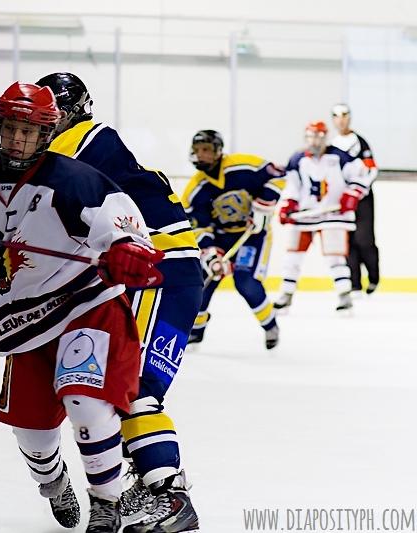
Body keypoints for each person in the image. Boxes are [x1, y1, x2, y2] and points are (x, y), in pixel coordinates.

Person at [0, 82, 165, 533]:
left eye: (29, 131)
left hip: (84, 304)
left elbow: (122, 224)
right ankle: (54, 484)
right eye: (11, 129)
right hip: (23, 321)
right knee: (32, 435)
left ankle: (107, 503)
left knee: (84, 399)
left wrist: (128, 249)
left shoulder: (72, 179)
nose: (19, 140)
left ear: (47, 134)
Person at [37, 72, 202, 533]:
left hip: (157, 271)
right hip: (168, 273)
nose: (47, 124)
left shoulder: (87, 140)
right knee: (130, 388)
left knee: (134, 391)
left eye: (54, 113)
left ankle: (168, 494)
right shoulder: (88, 150)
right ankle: (157, 484)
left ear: (75, 112)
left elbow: (37, 189)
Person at [183, 130, 283, 350]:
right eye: (198, 150)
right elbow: (199, 229)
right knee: (202, 281)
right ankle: (197, 330)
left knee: (245, 281)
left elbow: (279, 175)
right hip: (221, 239)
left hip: (252, 236)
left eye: (207, 150)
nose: (201, 155)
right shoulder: (194, 191)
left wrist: (264, 205)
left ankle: (270, 326)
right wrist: (210, 254)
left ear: (219, 151)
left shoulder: (243, 166)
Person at [275, 121, 372, 311]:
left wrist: (352, 195)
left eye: (319, 136)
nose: (315, 141)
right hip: (304, 216)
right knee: (292, 256)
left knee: (335, 258)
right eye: (311, 136)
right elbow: (292, 185)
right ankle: (286, 293)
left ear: (325, 137)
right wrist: (289, 204)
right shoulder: (297, 159)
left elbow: (362, 175)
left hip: (333, 215)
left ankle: (344, 294)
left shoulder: (340, 156)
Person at [330, 103, 380, 294]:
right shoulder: (332, 146)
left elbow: (371, 169)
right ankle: (354, 283)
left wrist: (357, 191)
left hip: (362, 199)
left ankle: (373, 277)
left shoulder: (360, 142)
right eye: (337, 116)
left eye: (344, 115)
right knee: (347, 242)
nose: (341, 119)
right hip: (341, 201)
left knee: (364, 239)